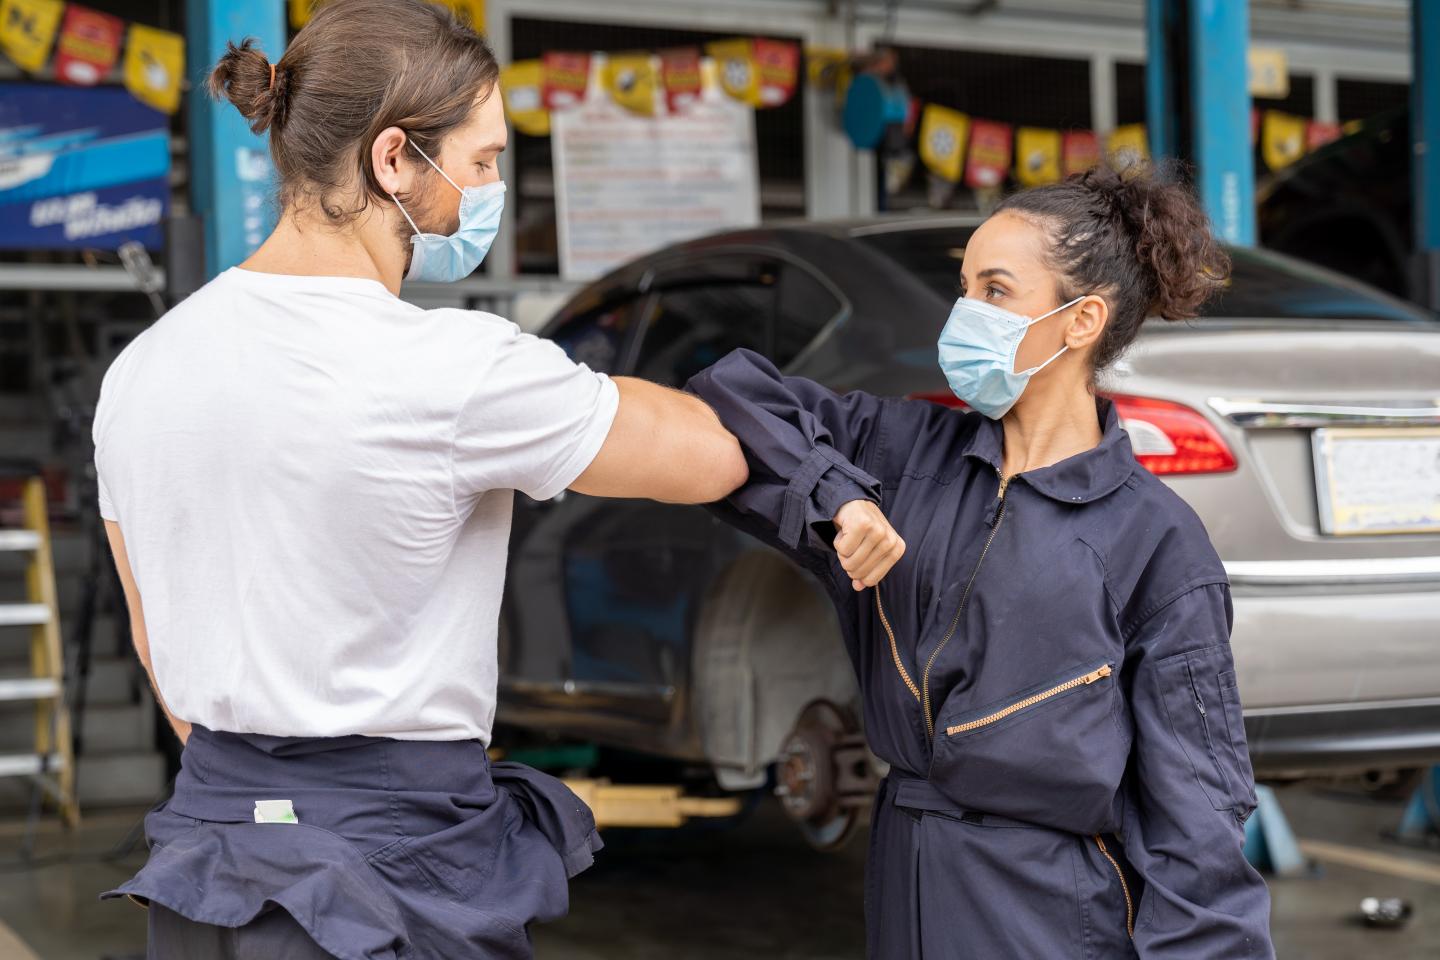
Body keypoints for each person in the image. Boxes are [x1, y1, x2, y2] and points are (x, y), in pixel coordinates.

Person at [94, 1, 746, 956]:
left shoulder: (143, 368)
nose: (487, 190)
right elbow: (712, 458)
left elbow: (161, 655)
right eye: (480, 163)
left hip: (209, 864)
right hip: (388, 869)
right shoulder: (453, 367)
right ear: (393, 158)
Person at [687, 165, 1275, 958]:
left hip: (1050, 913)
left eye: (995, 291)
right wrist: (840, 497)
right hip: (907, 877)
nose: (966, 312)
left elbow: (1195, 821)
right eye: (964, 287)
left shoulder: (1155, 541)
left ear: (1081, 321)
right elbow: (735, 392)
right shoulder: (900, 452)